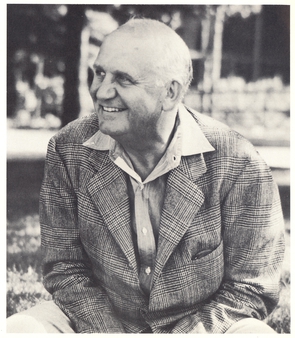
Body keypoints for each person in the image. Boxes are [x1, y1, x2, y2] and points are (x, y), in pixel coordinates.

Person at [7, 18, 285, 334]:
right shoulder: (68, 149)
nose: (101, 91)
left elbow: (250, 288)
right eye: (99, 73)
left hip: (200, 328)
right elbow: (65, 270)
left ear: (170, 93)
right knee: (20, 329)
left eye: (123, 80)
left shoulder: (239, 162)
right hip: (97, 323)